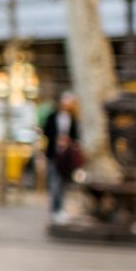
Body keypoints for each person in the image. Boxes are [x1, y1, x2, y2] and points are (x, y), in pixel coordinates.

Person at [43, 92, 81, 224]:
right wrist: (57, 140)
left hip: (67, 158)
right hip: (54, 155)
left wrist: (68, 141)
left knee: (63, 185)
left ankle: (60, 210)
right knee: (54, 184)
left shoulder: (73, 119)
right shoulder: (52, 117)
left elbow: (76, 136)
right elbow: (46, 131)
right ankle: (55, 210)